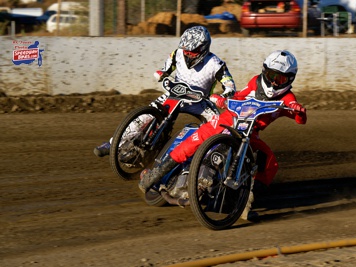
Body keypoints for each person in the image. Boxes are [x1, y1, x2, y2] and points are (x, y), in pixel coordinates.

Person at [139, 50, 307, 220]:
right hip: (226, 119)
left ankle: (242, 205)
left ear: (290, 79)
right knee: (191, 144)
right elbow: (239, 96)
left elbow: (300, 117)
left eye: (280, 79)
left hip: (249, 133)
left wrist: (299, 110)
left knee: (269, 163)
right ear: (264, 71)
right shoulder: (255, 82)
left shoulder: (287, 98)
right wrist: (223, 100)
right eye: (271, 75)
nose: (273, 82)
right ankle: (155, 176)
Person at [93, 26, 236, 157]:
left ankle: (211, 161)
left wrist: (223, 96)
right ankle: (114, 144)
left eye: (191, 52)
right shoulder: (177, 54)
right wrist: (162, 73)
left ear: (203, 49)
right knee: (144, 117)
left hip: (200, 102)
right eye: (185, 50)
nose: (187, 54)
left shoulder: (216, 64)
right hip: (174, 95)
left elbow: (230, 86)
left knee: (220, 129)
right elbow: (165, 69)